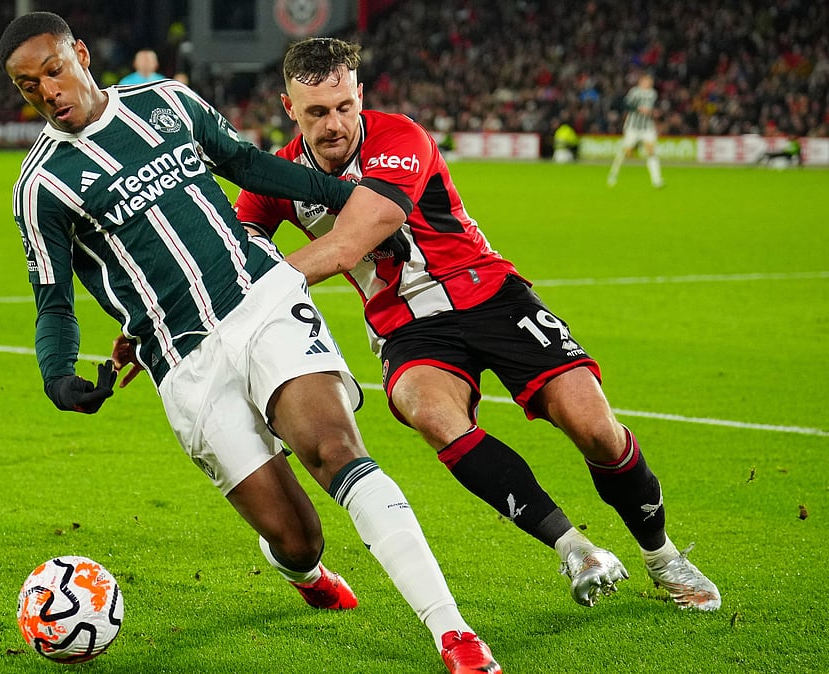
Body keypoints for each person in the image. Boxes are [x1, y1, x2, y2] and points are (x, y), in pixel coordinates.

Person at [0, 13, 500, 673]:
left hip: (262, 301)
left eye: (54, 71)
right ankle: (303, 571)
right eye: (29, 86)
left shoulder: (169, 102)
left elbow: (247, 165)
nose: (48, 91)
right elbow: (53, 298)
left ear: (81, 55)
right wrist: (57, 375)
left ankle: (454, 635)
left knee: (336, 451)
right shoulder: (40, 186)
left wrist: (338, 192)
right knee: (299, 536)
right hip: (182, 362)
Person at [233, 37, 720, 612]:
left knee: (595, 428)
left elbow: (345, 246)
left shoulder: (400, 139)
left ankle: (662, 556)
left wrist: (255, 286)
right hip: (406, 325)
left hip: (489, 294)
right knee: (430, 412)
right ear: (289, 108)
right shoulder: (280, 174)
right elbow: (237, 250)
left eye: (344, 106)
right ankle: (575, 549)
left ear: (360, 94)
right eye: (317, 112)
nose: (335, 124)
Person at [607, 74, 664, 188]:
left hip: (647, 127)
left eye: (650, 81)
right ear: (641, 81)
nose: (649, 83)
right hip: (633, 127)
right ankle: (613, 174)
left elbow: (654, 107)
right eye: (647, 81)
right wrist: (638, 109)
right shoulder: (634, 92)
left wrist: (655, 112)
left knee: (651, 152)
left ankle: (657, 180)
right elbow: (625, 104)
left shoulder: (653, 93)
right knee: (625, 151)